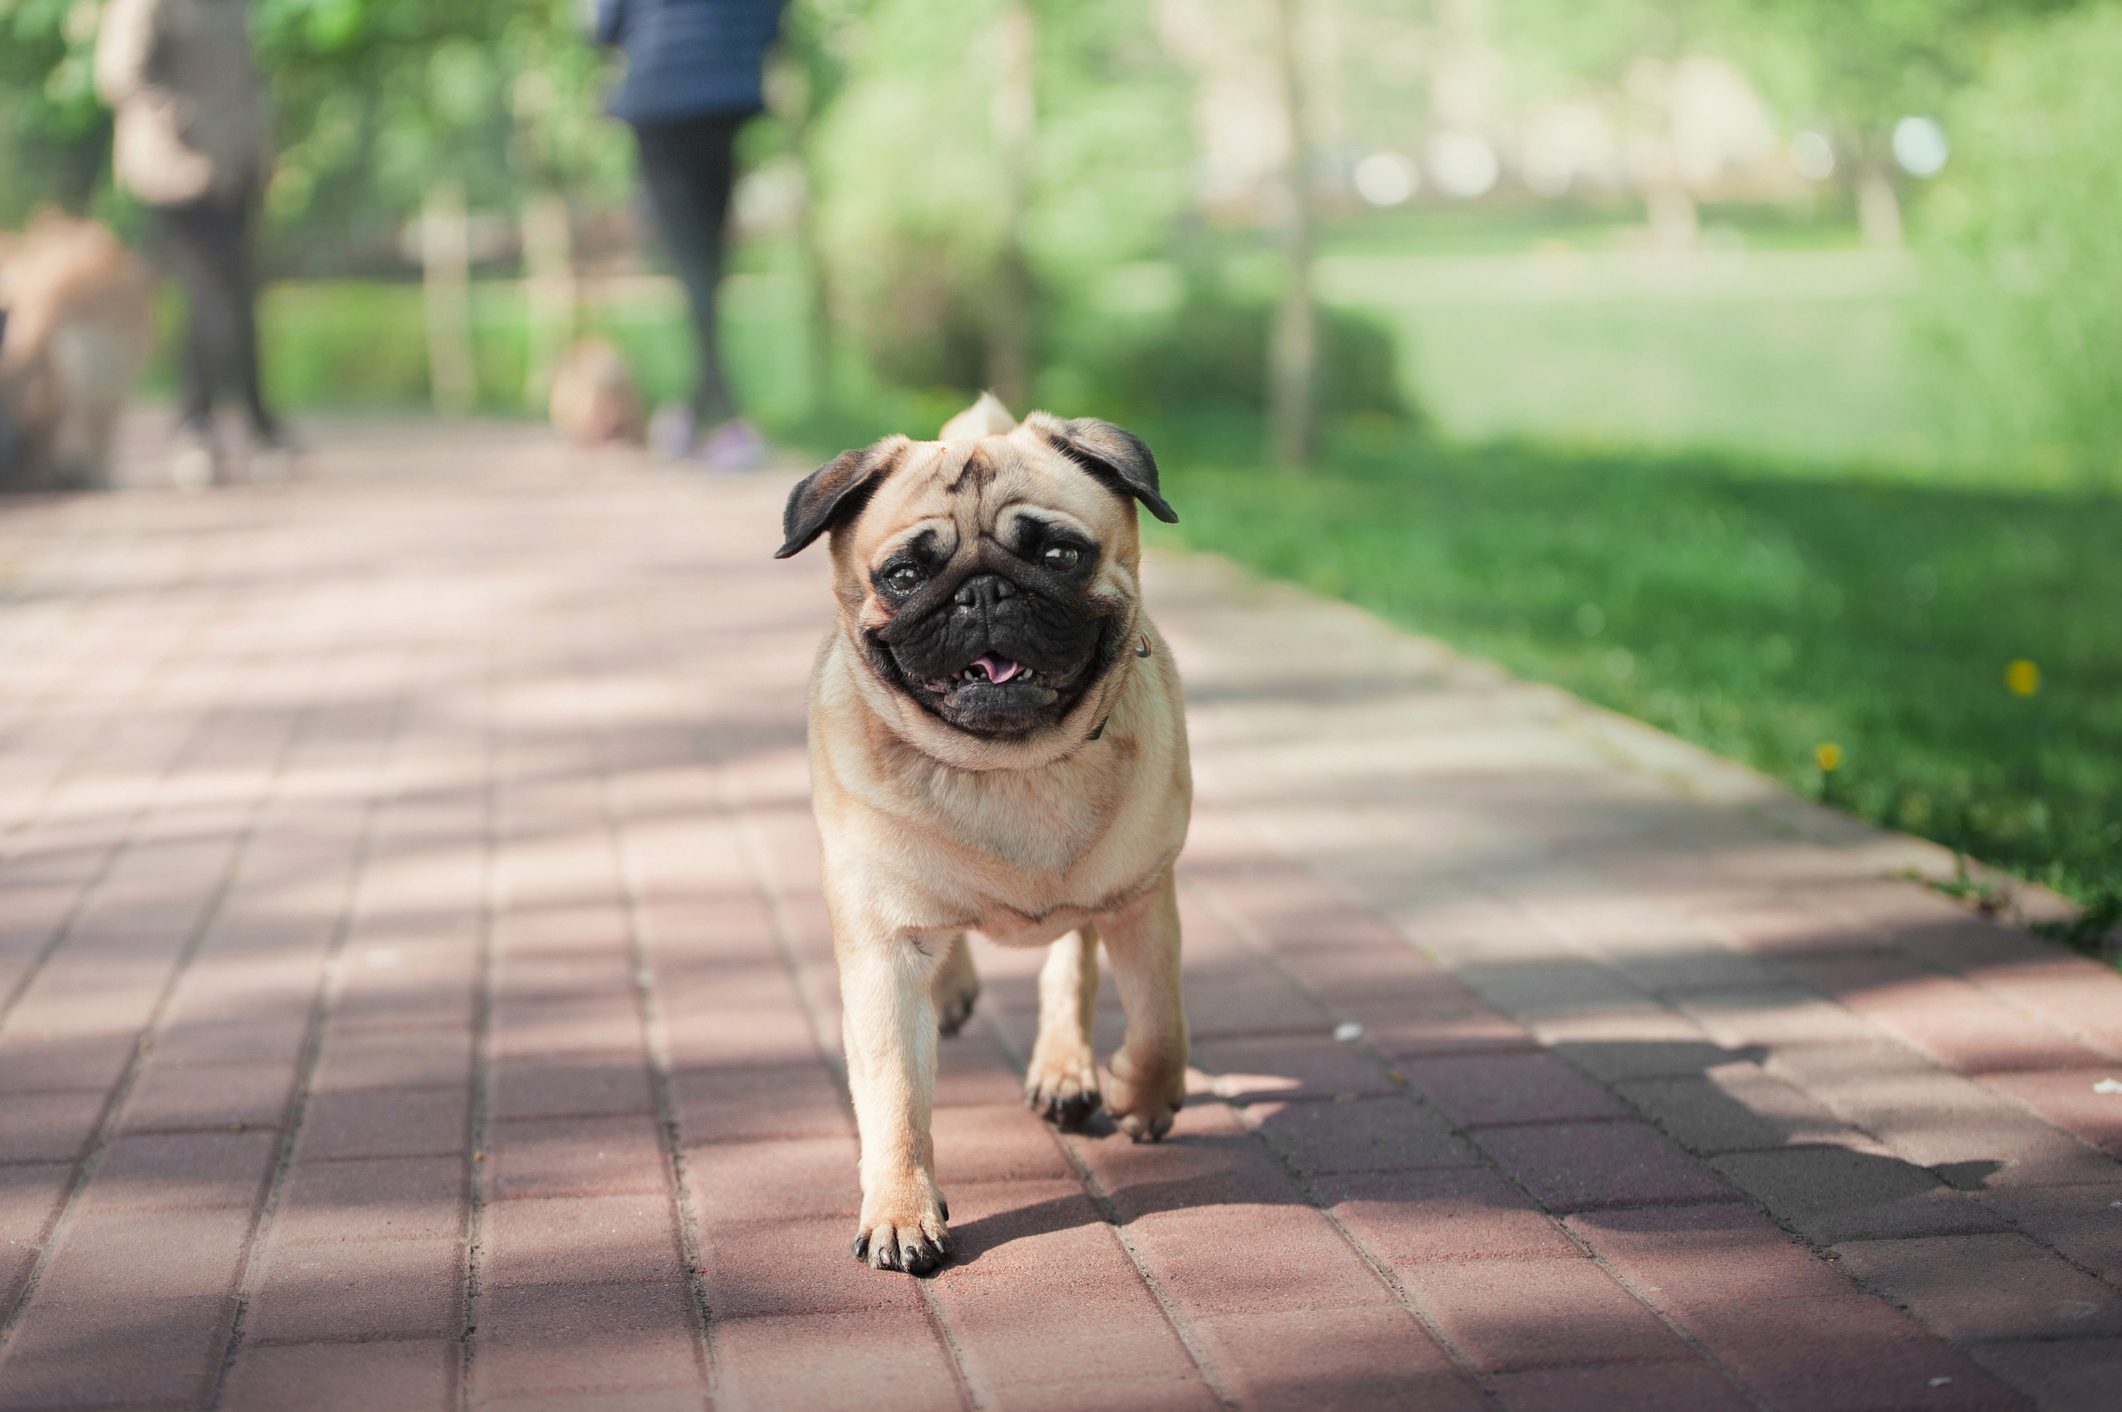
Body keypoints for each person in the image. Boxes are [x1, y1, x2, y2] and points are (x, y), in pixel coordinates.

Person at [96, 0, 288, 488]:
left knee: (238, 299)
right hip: (177, 170)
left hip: (235, 170)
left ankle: (255, 423)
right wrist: (181, 117)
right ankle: (196, 428)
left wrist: (255, 143)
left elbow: (245, 76)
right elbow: (119, 72)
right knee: (211, 299)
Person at [594, 0, 786, 471]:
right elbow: (771, 15)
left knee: (691, 260)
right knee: (707, 258)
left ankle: (723, 417)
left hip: (659, 93)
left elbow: (602, 25)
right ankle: (699, 406)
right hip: (726, 91)